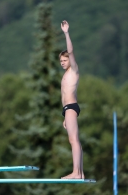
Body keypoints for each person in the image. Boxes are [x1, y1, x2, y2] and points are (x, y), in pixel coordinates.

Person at [59, 20, 84, 179]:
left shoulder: (74, 70)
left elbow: (71, 50)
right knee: (74, 139)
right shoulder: (66, 73)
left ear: (71, 60)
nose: (62, 63)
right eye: (61, 61)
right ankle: (80, 173)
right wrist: (65, 116)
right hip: (68, 110)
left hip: (71, 107)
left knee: (73, 139)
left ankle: (75, 172)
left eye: (65, 60)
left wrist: (66, 33)